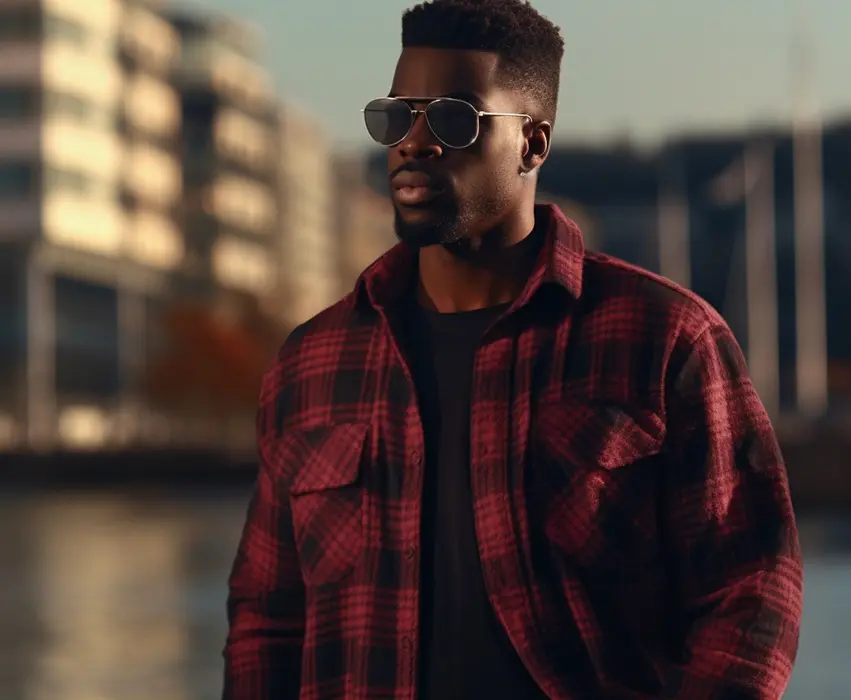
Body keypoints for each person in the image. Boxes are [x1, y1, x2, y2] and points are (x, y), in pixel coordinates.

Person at [222, 0, 803, 698]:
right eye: (396, 115)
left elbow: (750, 591)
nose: (414, 141)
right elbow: (267, 617)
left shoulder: (663, 339)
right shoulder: (311, 365)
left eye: (452, 118)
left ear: (534, 142)